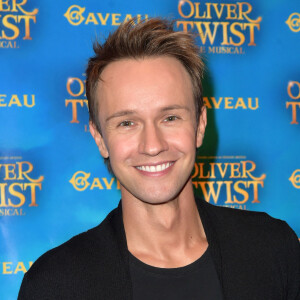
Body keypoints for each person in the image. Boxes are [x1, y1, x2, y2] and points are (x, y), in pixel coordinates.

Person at [18, 18, 299, 300]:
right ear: (100, 138)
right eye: (127, 123)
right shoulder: (55, 285)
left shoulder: (274, 249)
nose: (152, 146)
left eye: (170, 117)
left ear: (200, 125)